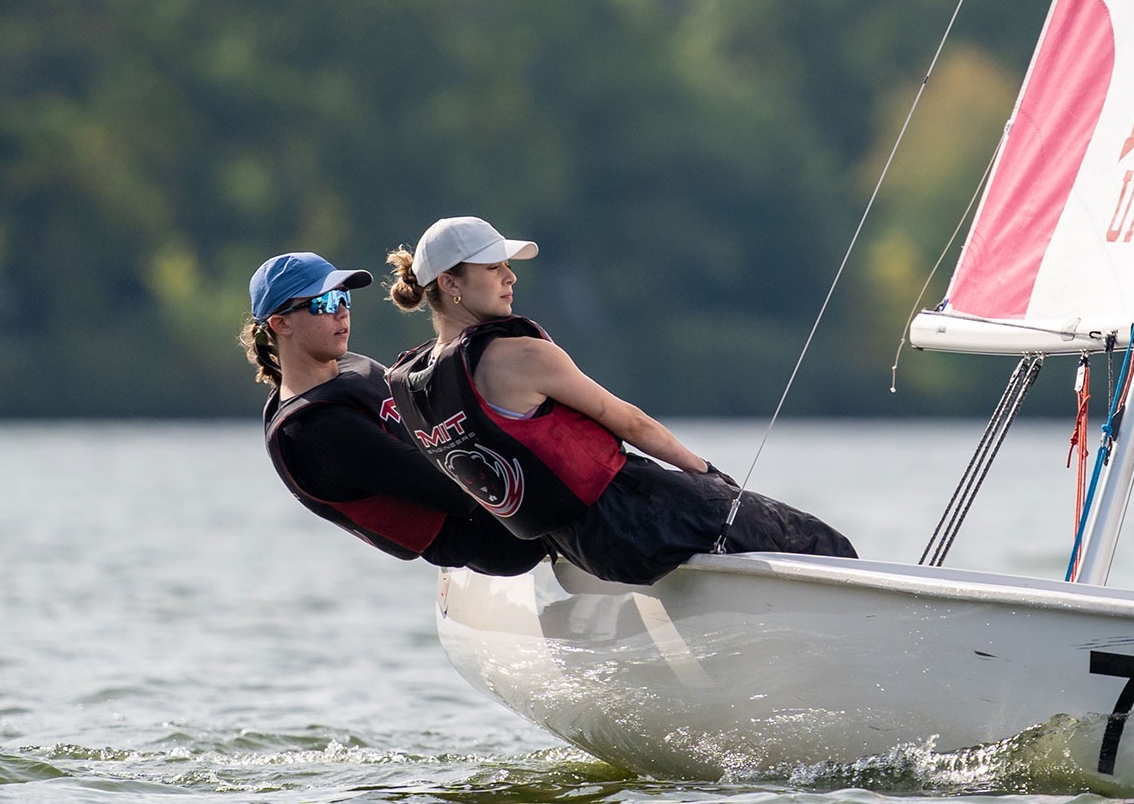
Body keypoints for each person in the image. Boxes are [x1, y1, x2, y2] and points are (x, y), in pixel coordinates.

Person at [383, 216, 856, 585]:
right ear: (449, 282)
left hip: (579, 546)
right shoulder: (519, 355)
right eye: (493, 268)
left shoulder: (413, 382)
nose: (510, 277)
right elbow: (630, 423)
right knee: (820, 543)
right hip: (633, 518)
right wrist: (708, 476)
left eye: (507, 266)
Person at [241, 251, 548, 575]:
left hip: (504, 501)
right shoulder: (315, 431)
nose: (342, 313)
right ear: (281, 323)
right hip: (499, 540)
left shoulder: (345, 367)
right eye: (325, 304)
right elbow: (457, 494)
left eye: (344, 298)